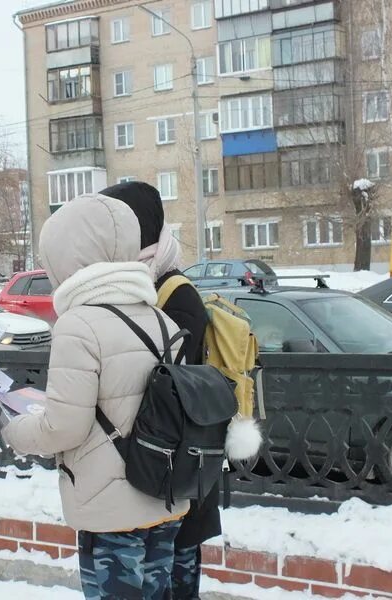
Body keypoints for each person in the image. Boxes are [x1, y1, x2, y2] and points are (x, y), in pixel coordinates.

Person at [2, 193, 189, 600]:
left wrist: (16, 431)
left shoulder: (78, 325)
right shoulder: (161, 317)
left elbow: (64, 427)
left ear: (67, 258)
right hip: (163, 494)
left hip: (110, 511)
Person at [101, 181, 217, 600]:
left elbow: (171, 388)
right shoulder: (146, 285)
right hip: (161, 470)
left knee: (176, 586)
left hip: (178, 468)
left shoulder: (173, 294)